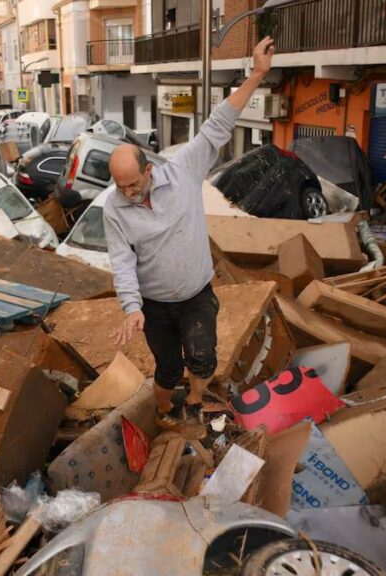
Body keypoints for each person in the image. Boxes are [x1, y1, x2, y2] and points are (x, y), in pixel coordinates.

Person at [103, 37, 276, 429]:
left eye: (133, 184)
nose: (128, 194)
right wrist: (132, 309)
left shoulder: (181, 171)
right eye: (120, 187)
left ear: (148, 170)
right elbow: (122, 260)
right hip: (155, 305)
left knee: (202, 358)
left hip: (196, 295)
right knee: (167, 368)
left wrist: (257, 75)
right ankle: (165, 411)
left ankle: (195, 403)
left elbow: (217, 125)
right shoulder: (114, 208)